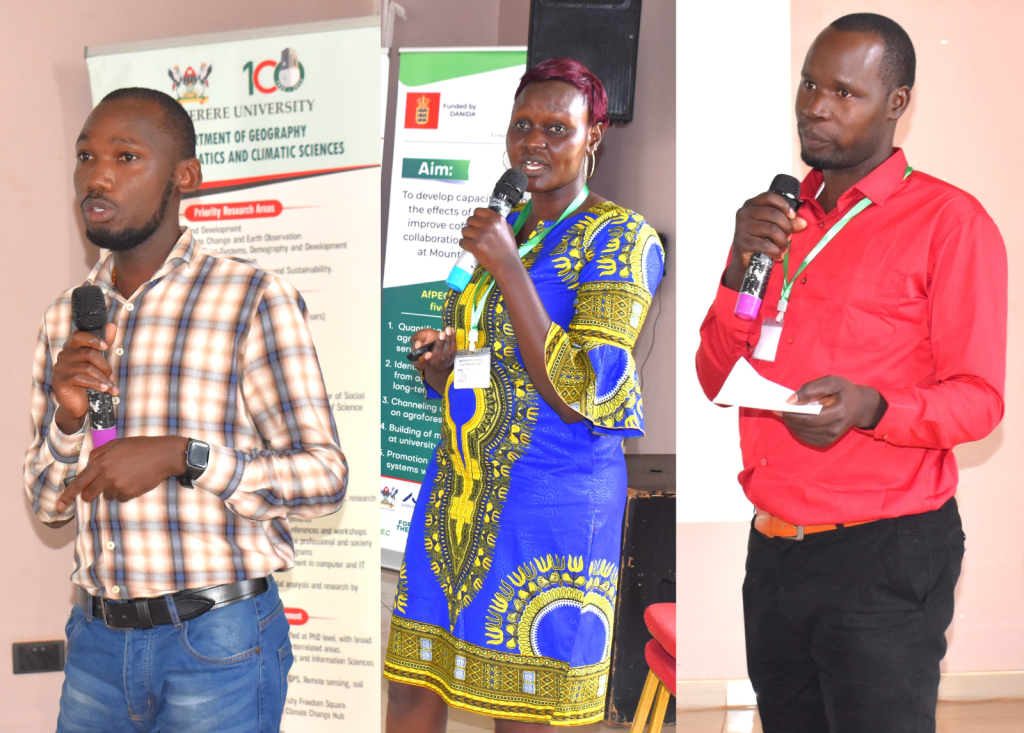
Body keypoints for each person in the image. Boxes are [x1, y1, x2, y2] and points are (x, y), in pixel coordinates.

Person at [696, 14, 1006, 733]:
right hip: (772, 552)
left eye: (844, 91)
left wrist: (872, 406)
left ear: (897, 103)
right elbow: (717, 374)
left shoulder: (950, 223)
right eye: (809, 83)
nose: (816, 105)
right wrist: (740, 259)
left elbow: (980, 401)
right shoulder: (777, 220)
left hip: (884, 555)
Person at [23, 87, 347, 733]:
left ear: (185, 177)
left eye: (126, 155)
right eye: (86, 156)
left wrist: (186, 456)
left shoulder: (252, 298)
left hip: (217, 645)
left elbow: (325, 479)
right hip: (96, 643)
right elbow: (49, 506)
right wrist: (65, 422)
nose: (99, 175)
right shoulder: (68, 315)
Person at [384, 58, 665, 730]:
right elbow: (494, 365)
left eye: (556, 127)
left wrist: (507, 267)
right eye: (522, 125)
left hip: (552, 501)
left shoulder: (623, 238)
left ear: (594, 134)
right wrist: (443, 365)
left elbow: (585, 391)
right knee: (412, 684)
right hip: (459, 490)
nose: (533, 141)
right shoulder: (516, 229)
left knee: (521, 705)